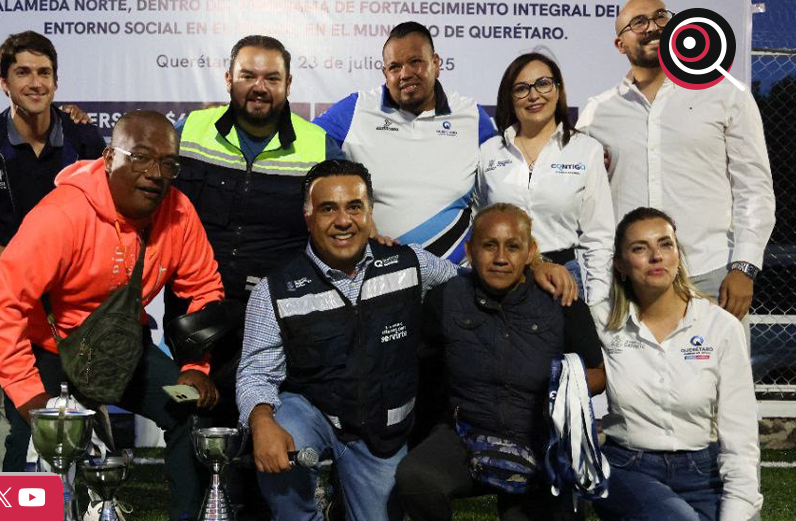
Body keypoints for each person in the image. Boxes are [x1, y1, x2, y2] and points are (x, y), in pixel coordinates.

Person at [238, 163, 577, 521]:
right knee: (282, 432)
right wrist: (261, 422)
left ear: (370, 214)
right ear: (308, 217)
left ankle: (342, 504)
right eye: (328, 209)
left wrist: (535, 267)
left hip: (380, 435)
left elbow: (479, 279)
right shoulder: (273, 290)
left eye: (354, 207)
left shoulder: (410, 263)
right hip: (314, 413)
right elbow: (255, 374)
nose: (343, 220)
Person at [0, 111, 224, 519]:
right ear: (110, 157)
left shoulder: (178, 212)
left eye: (168, 163)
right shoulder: (62, 215)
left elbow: (203, 288)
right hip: (51, 353)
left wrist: (196, 366)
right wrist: (28, 394)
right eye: (142, 158)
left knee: (190, 408)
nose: (155, 173)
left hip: (124, 351)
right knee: (32, 444)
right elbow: (2, 301)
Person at [168, 34, 343, 517]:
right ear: (229, 79)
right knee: (195, 420)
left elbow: (338, 222)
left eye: (271, 77)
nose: (259, 86)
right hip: (194, 310)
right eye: (248, 75)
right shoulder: (189, 130)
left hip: (272, 316)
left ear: (289, 85)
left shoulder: (318, 143)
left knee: (262, 423)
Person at [0, 31, 106, 472]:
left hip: (74, 298)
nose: (35, 83)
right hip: (11, 295)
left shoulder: (84, 141)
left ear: (56, 82)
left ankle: (82, 497)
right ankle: (11, 496)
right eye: (23, 73)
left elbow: (102, 220)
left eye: (44, 73)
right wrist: (29, 267)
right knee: (12, 407)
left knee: (81, 400)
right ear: (4, 82)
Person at [394, 203, 606, 521]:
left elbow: (598, 375)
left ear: (531, 251)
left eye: (513, 246)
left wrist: (560, 384)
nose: (501, 258)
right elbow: (424, 370)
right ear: (470, 249)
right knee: (416, 477)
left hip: (540, 442)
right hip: (468, 435)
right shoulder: (446, 299)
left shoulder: (561, 299)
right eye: (489, 245)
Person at [577, 0, 775, 318]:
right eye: (638, 22)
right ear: (619, 44)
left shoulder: (726, 94)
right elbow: (580, 196)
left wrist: (744, 266)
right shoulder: (597, 112)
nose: (654, 27)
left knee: (720, 370)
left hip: (711, 275)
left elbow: (754, 187)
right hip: (630, 283)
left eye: (660, 17)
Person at [590, 207, 762, 521]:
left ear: (678, 255)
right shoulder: (602, 321)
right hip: (626, 469)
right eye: (639, 248)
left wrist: (738, 509)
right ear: (620, 265)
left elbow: (741, 434)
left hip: (703, 471)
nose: (656, 256)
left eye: (665, 244)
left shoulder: (720, 327)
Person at [314, 21, 494, 262]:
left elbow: (503, 183)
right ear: (385, 73)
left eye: (415, 62)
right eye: (395, 67)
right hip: (379, 276)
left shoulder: (472, 116)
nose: (405, 74)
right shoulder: (356, 109)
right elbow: (307, 144)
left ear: (436, 64)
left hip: (455, 278)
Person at [476, 53, 614, 304]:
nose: (533, 95)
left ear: (558, 90)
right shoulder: (489, 152)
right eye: (521, 88)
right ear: (509, 98)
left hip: (565, 283)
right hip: (502, 279)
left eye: (543, 83)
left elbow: (599, 237)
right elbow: (478, 223)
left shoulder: (586, 150)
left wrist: (597, 303)